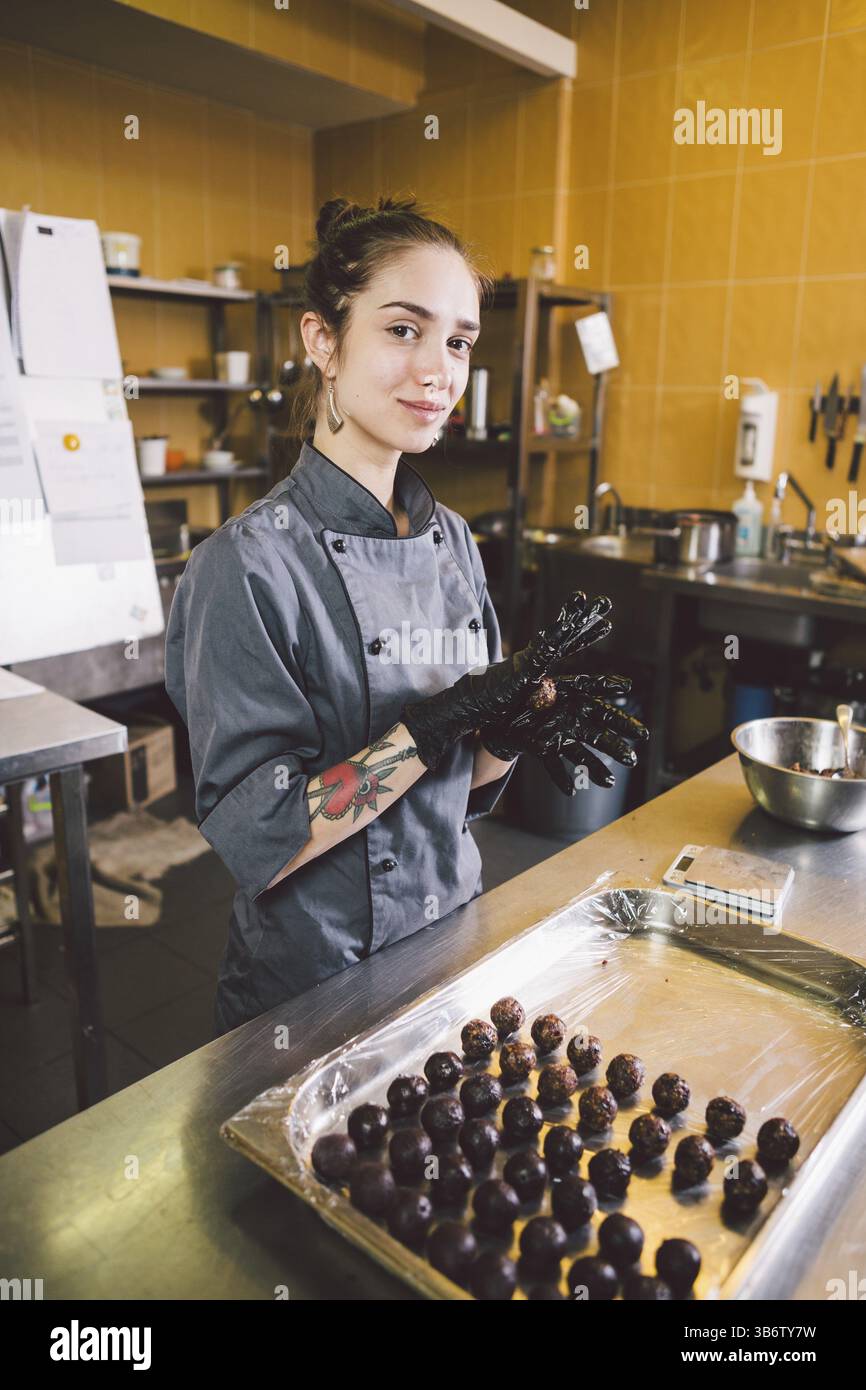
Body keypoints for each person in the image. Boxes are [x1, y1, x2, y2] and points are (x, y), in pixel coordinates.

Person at [165, 194, 647, 1036]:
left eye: (458, 340)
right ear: (323, 340)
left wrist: (507, 733)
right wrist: (425, 731)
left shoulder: (453, 541)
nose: (439, 370)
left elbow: (459, 796)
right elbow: (264, 839)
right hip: (310, 985)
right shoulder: (245, 565)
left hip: (449, 944)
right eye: (402, 330)